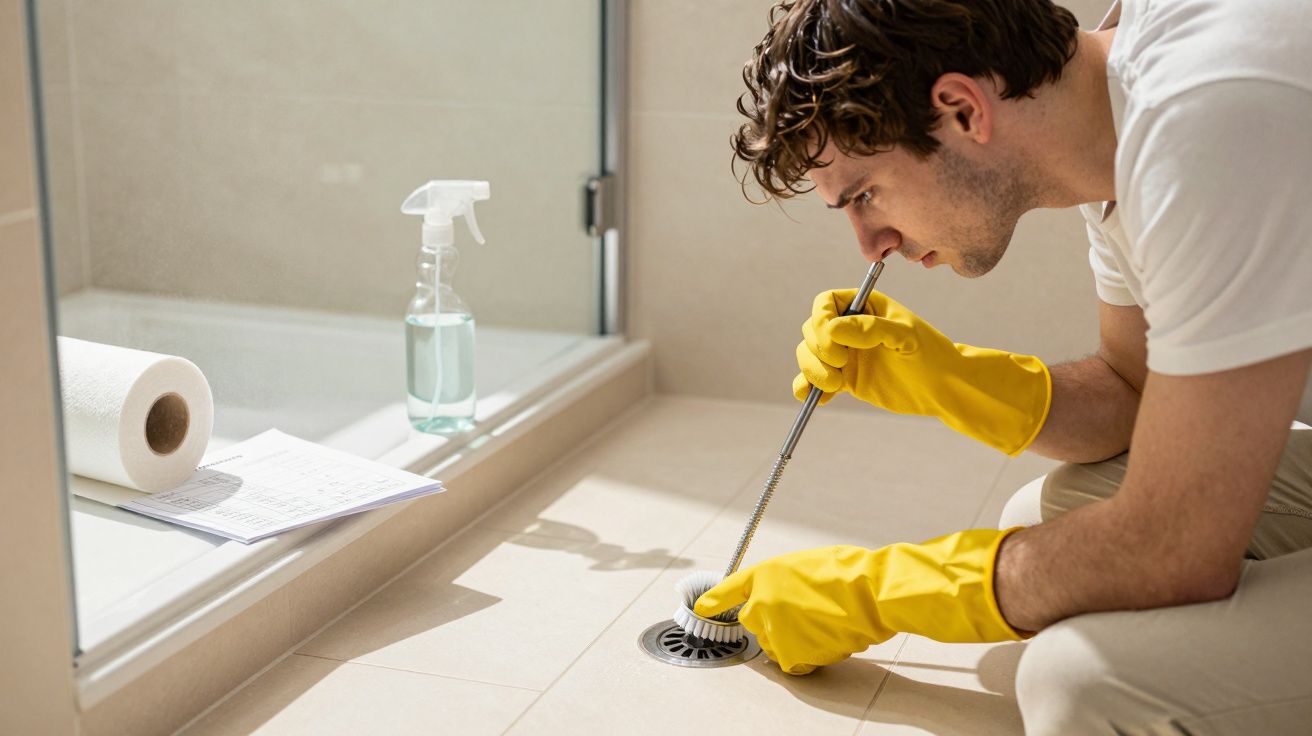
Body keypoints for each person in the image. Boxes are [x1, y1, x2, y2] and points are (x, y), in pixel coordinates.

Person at [692, 1, 1312, 732]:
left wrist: (884, 593)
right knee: (1050, 514)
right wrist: (948, 378)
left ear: (962, 108)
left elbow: (1176, 548)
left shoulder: (1202, 128)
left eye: (864, 194)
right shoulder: (1113, 119)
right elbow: (1133, 388)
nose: (872, 244)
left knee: (1082, 686)